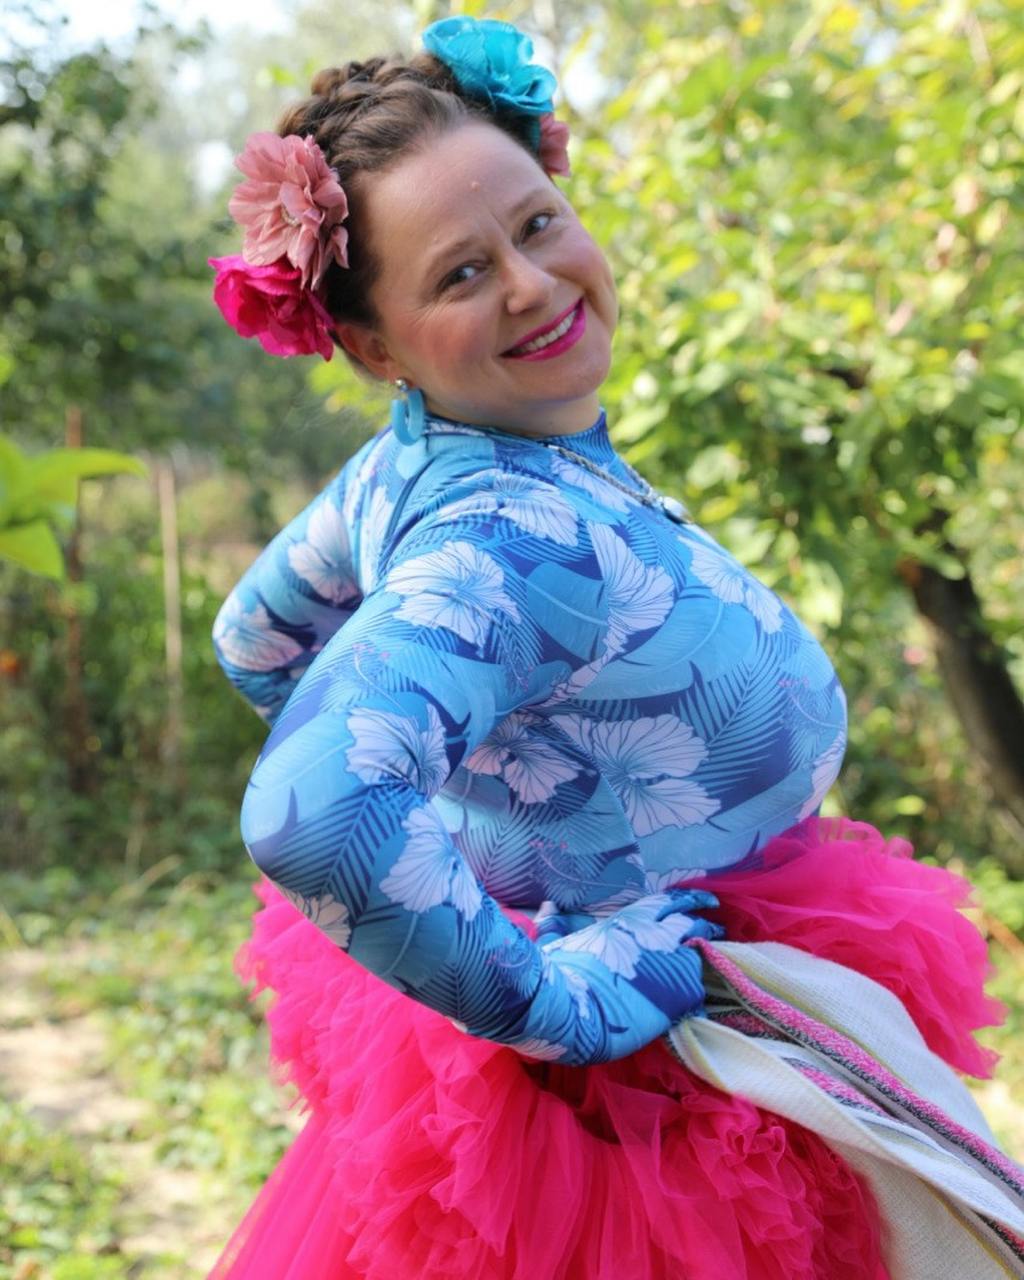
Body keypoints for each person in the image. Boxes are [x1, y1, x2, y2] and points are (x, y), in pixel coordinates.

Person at [206, 17, 1024, 1280]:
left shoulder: (419, 461)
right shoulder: (504, 539)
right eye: (460, 274)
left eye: (536, 225)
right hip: (649, 1113)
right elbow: (313, 806)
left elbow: (256, 635)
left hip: (676, 994)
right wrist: (550, 999)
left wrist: (499, 791)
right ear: (373, 345)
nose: (532, 283)